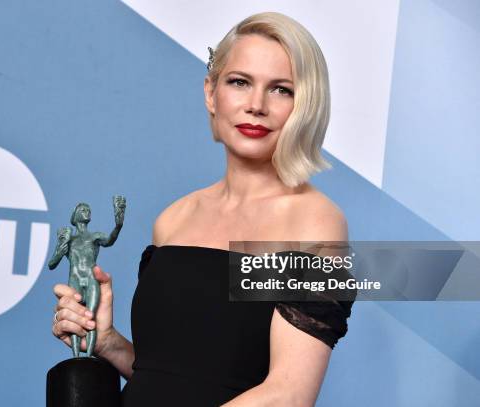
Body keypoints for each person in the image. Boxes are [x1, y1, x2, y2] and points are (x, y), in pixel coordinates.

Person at [52, 11, 354, 406]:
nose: (256, 105)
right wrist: (108, 342)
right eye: (240, 82)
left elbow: (289, 395)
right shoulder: (175, 218)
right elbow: (171, 375)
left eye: (281, 89)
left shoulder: (315, 221)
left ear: (305, 105)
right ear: (212, 93)